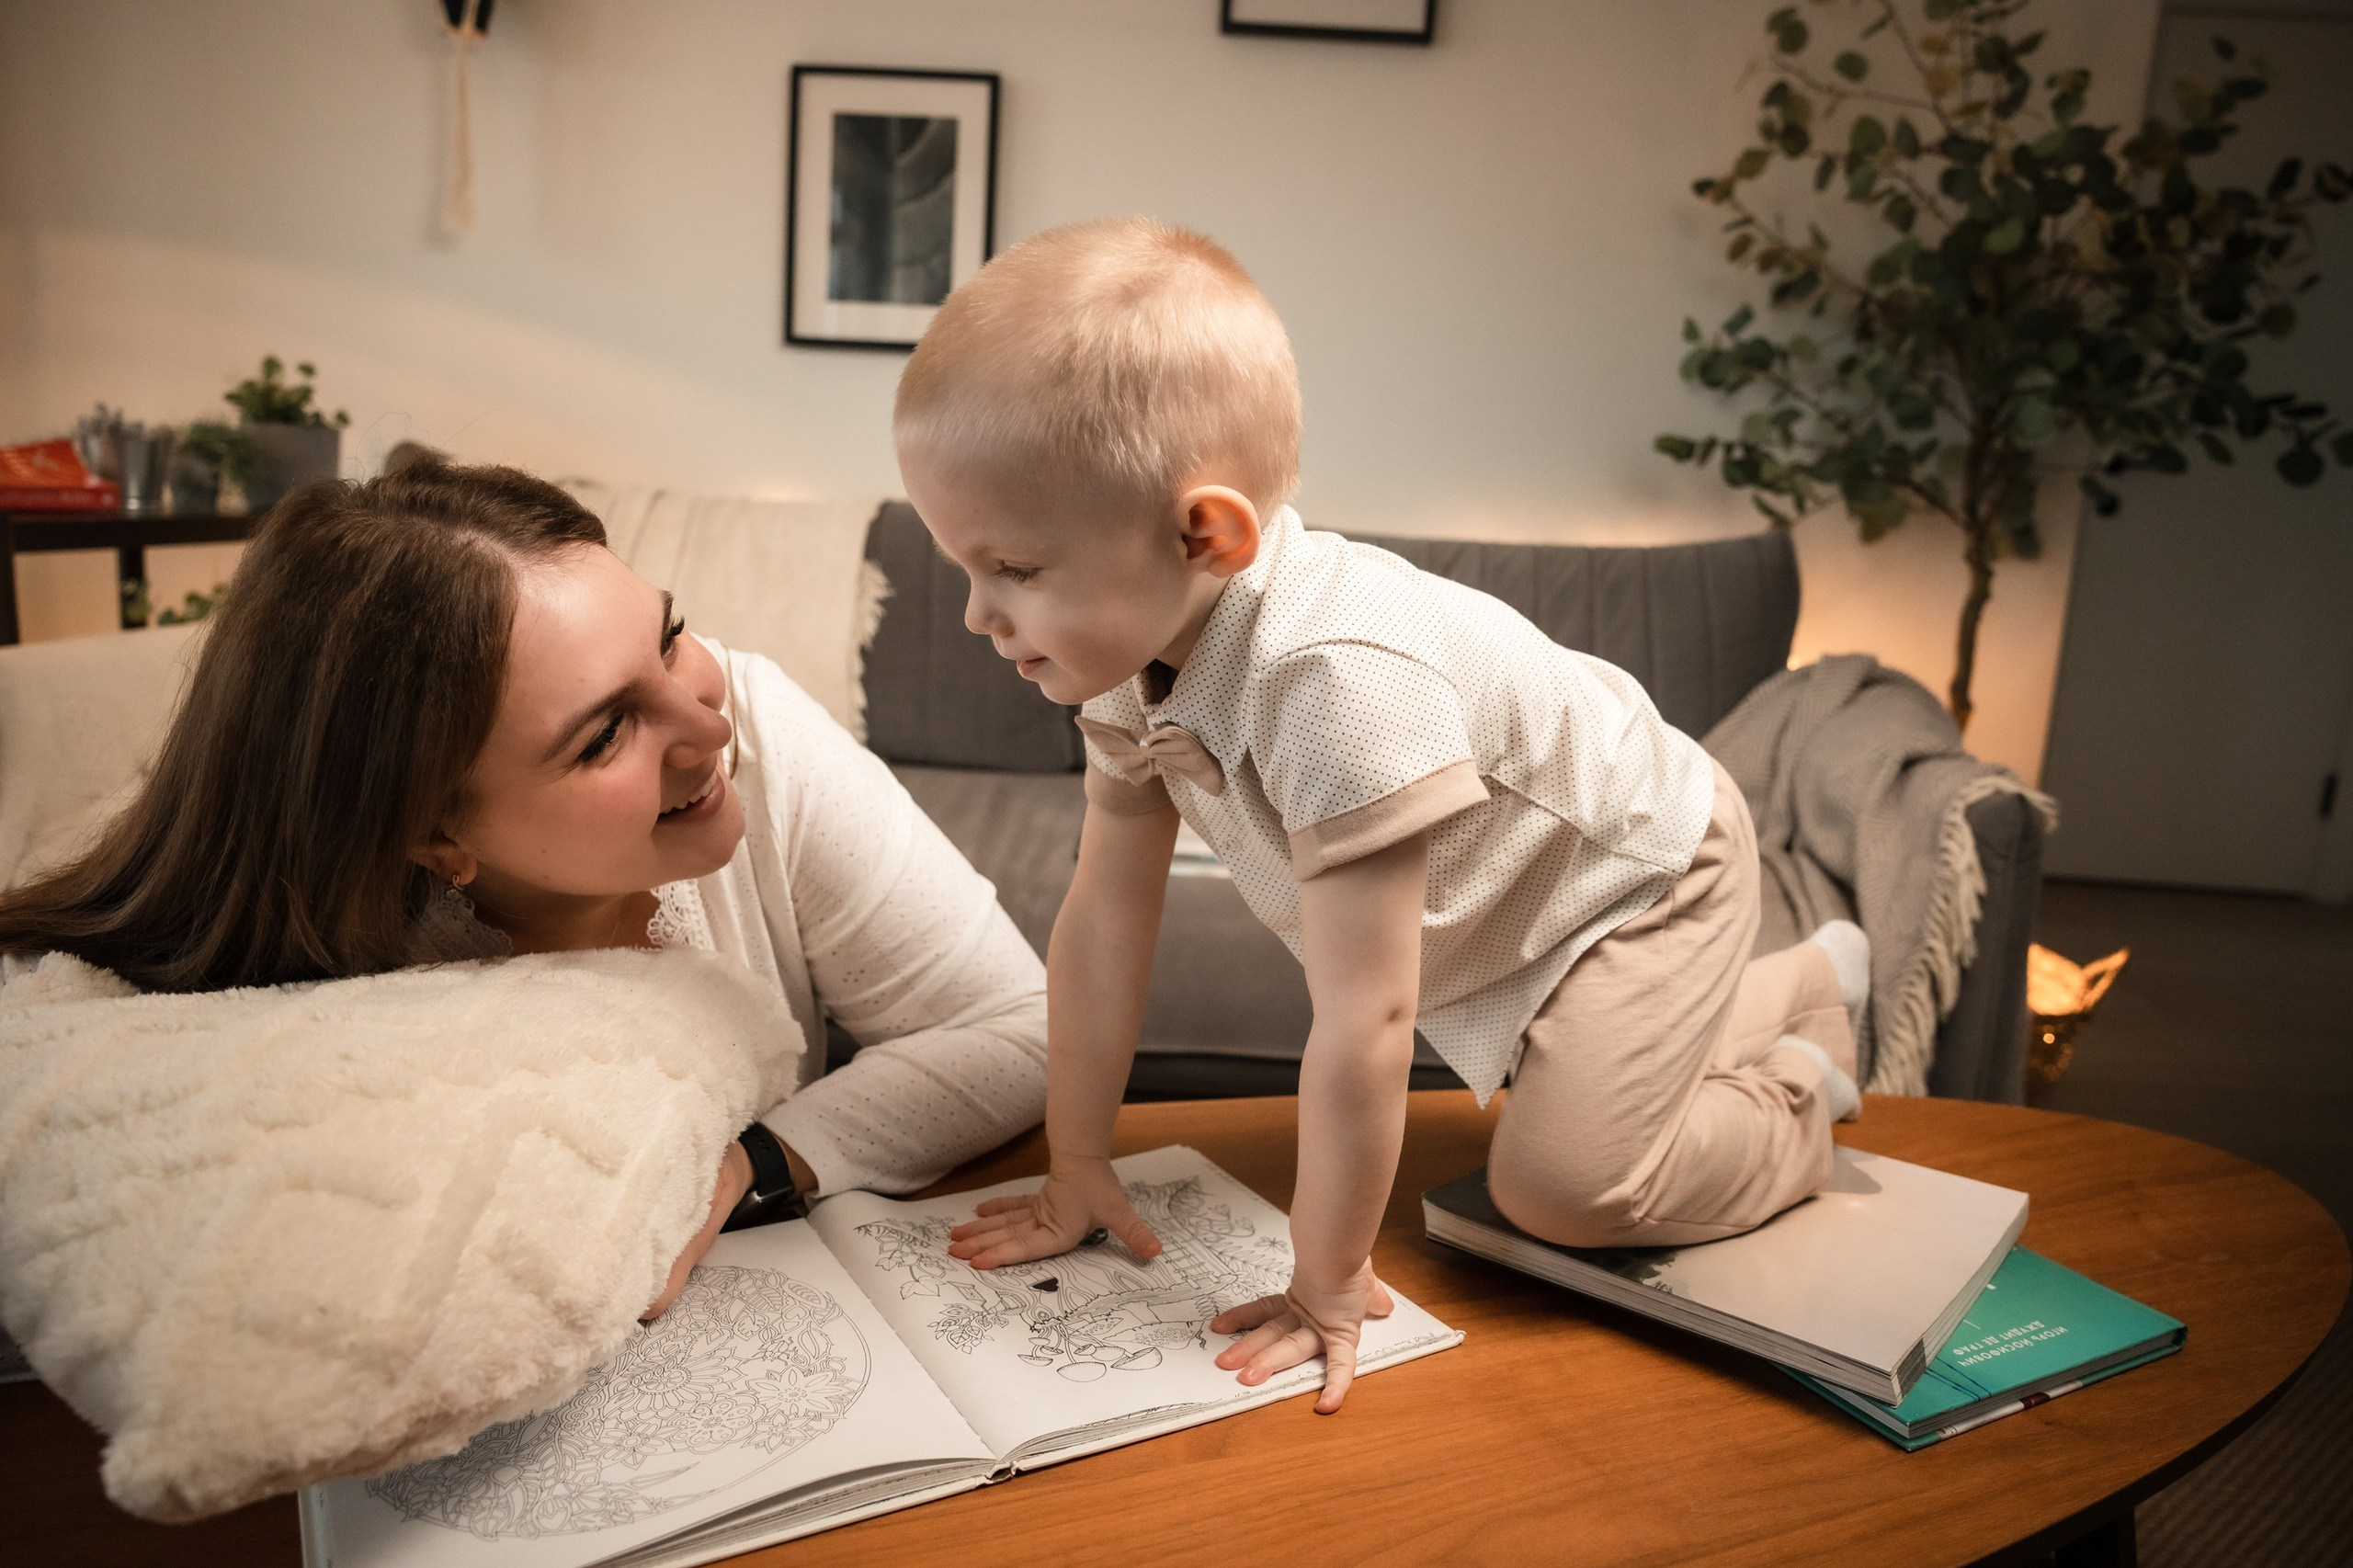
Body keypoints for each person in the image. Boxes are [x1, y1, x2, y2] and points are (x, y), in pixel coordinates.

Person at [892, 218, 1873, 1413]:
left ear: (1205, 533)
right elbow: (1104, 919)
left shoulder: (1336, 679)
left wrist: (1327, 1279)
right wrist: (1079, 1161)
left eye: (1014, 570)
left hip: (1638, 880)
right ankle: (1787, 987)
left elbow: (1368, 1018)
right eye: (963, 568)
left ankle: (1801, 1072)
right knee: (1557, 1137)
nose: (976, 616)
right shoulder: (1114, 657)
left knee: (1564, 1192)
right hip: (1518, 906)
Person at [0, 460, 1048, 1318]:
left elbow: (1023, 1024)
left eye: (670, 634)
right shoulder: (266, 991)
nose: (709, 726)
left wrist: (748, 1165)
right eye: (604, 732)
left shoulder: (757, 719)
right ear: (431, 836)